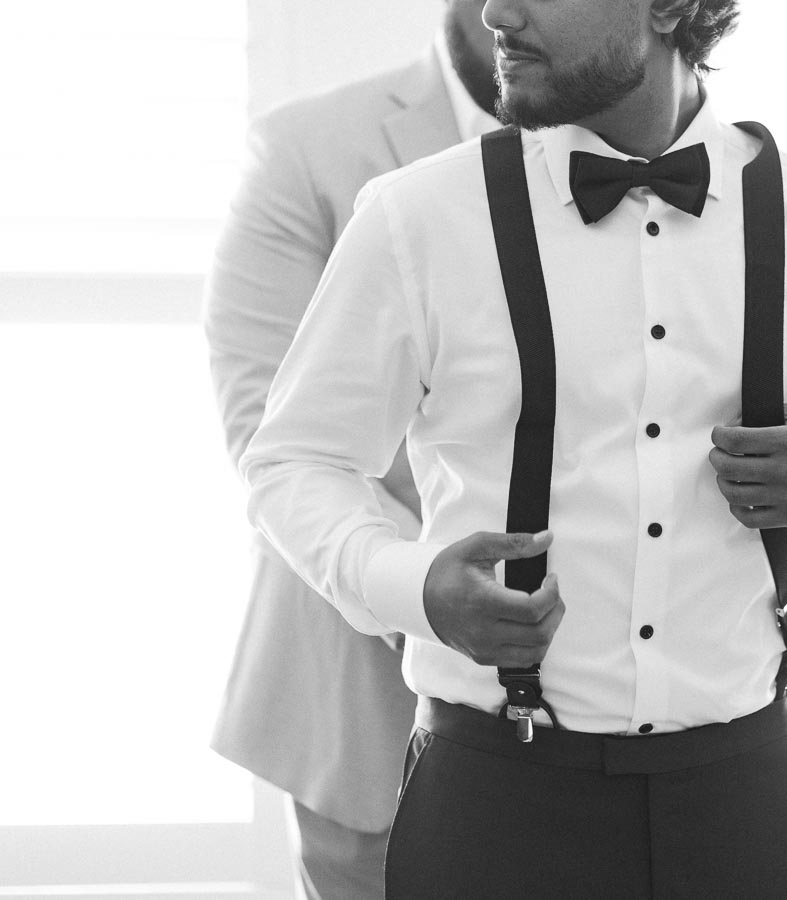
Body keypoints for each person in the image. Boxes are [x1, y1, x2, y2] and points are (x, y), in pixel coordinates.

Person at [241, 0, 787, 895]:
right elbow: (294, 460)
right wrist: (414, 586)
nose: (495, 12)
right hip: (494, 803)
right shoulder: (418, 218)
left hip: (754, 802)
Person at [202, 4, 498, 898]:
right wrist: (426, 581)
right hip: (366, 695)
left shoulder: (651, 158)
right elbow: (272, 430)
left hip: (629, 711)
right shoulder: (306, 150)